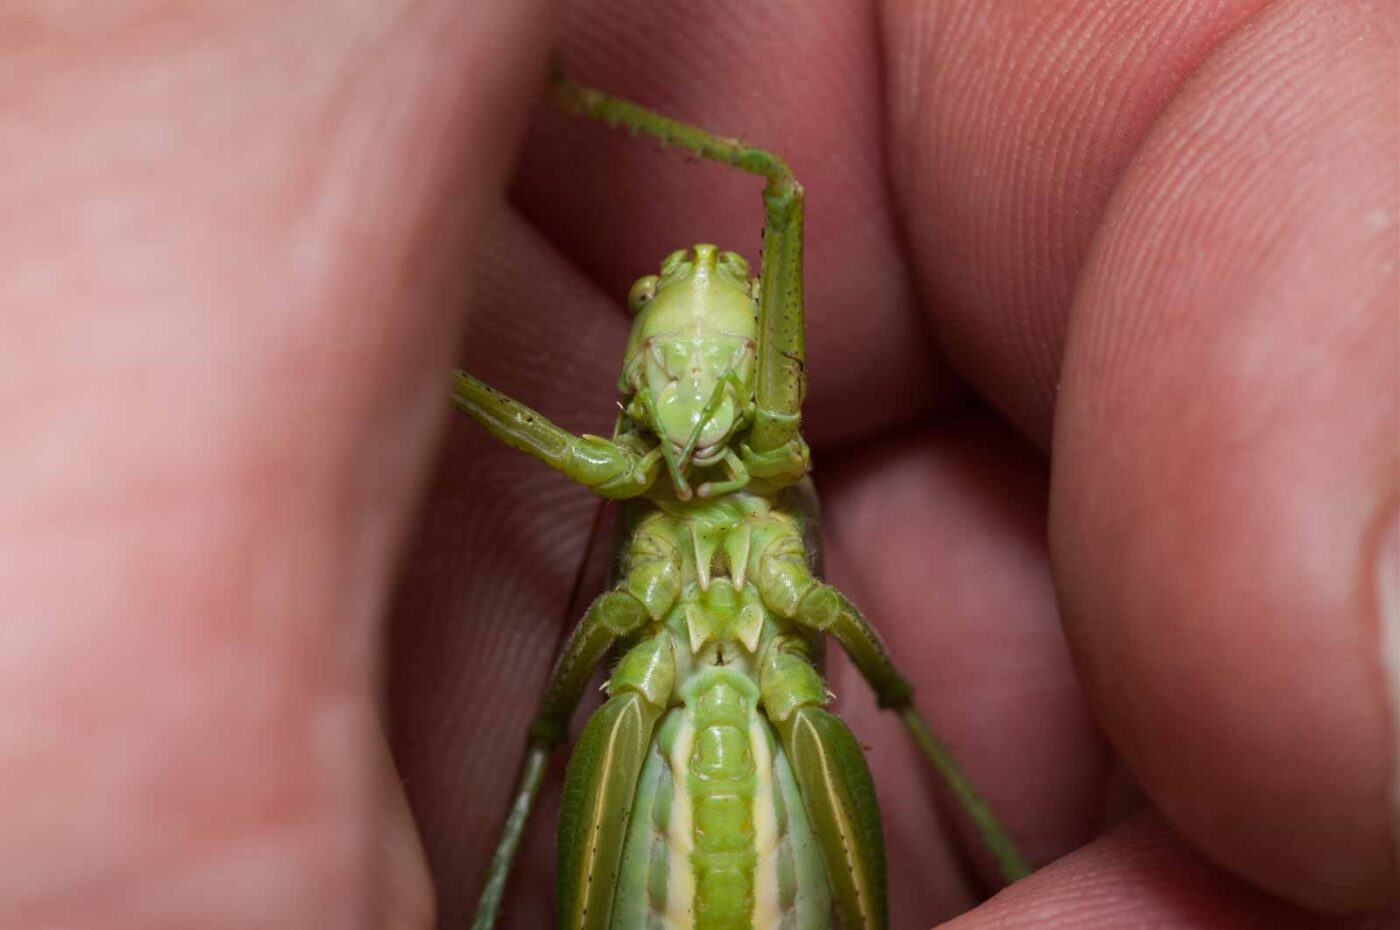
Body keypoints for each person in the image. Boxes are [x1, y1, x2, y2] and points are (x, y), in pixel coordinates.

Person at [2, 1, 1393, 927]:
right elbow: (544, 655)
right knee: (563, 741)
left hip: (780, 711)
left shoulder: (770, 435)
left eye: (713, 292)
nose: (700, 296)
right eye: (677, 299)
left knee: (874, 710)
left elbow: (774, 186)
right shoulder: (624, 492)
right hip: (648, 708)